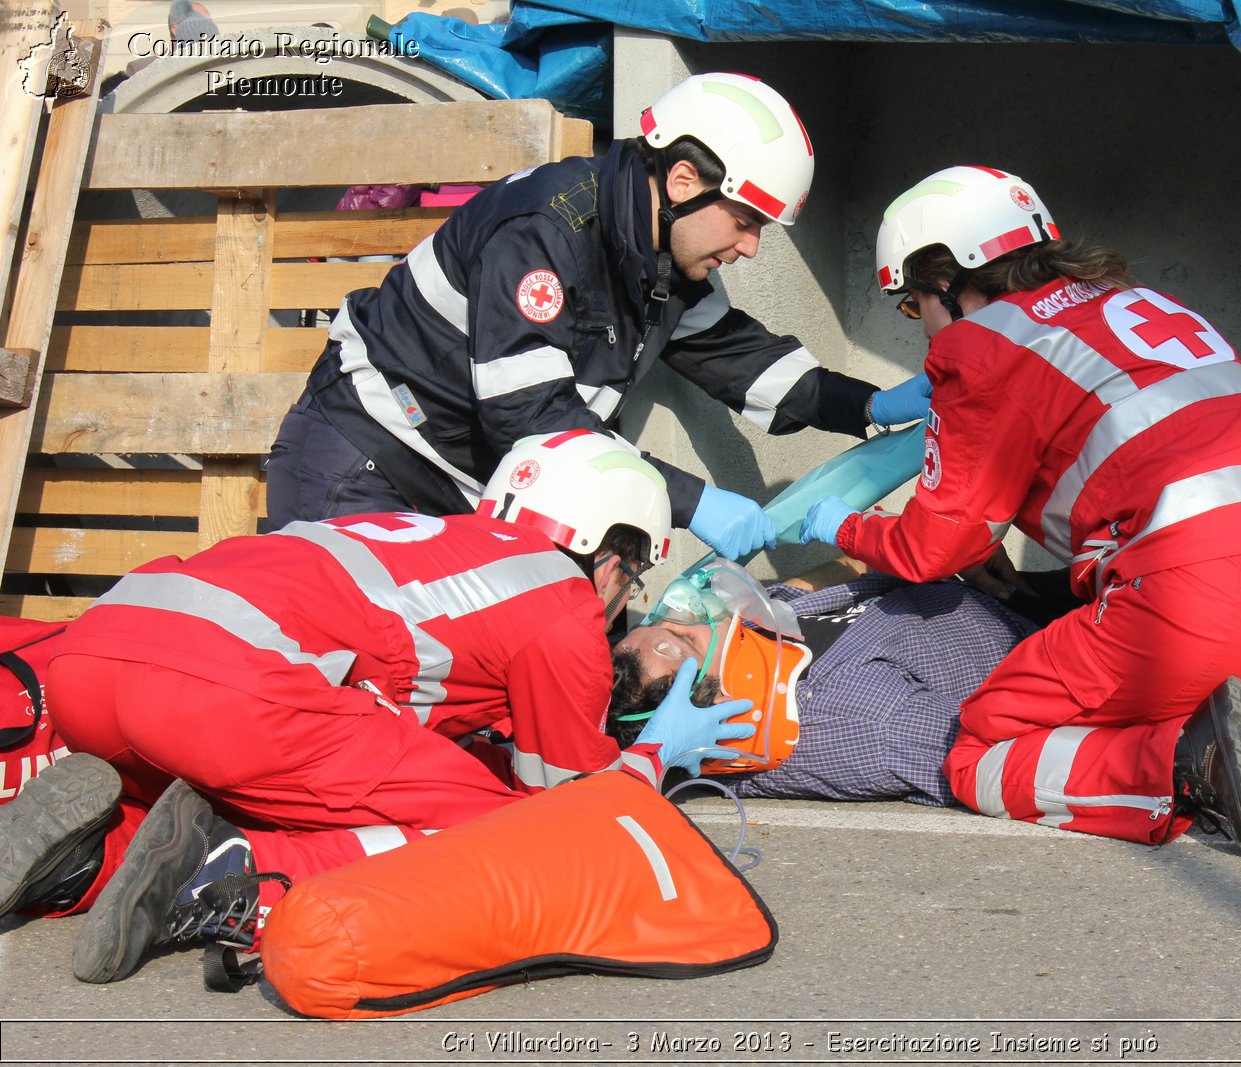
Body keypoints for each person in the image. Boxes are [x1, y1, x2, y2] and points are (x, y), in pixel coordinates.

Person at [798, 166, 1241, 856]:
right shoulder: (1140, 304)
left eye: (913, 305)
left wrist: (837, 524)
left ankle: (1183, 766)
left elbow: (931, 550)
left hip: (1197, 617)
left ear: (948, 275)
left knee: (979, 747)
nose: (921, 328)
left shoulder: (976, 344)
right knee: (1181, 678)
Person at [0, 431, 753, 984]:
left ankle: (86, 863)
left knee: (304, 782)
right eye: (635, 576)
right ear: (611, 550)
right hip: (227, 689)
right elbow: (572, 818)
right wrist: (654, 757)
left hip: (93, 661)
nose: (625, 602)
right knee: (495, 833)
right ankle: (225, 872)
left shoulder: (442, 542)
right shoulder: (562, 602)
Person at [265, 72, 932, 560]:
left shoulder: (657, 259)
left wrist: (870, 405)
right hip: (370, 459)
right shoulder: (543, 233)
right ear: (682, 183)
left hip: (467, 485)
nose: (752, 246)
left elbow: (740, 360)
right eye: (746, 220)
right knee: (355, 680)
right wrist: (693, 502)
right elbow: (530, 419)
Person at [609, 561, 1039, 806]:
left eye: (654, 620)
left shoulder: (756, 645)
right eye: (681, 636)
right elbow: (1004, 757)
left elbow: (808, 589)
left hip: (973, 583)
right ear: (723, 703)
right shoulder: (861, 722)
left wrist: (896, 545)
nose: (683, 612)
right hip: (1047, 636)